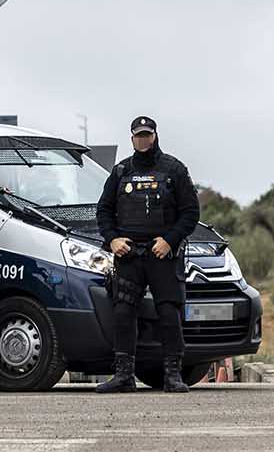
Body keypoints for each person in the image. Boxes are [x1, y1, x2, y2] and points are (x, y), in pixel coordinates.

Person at [95, 115, 199, 393]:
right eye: (138, 135)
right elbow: (103, 211)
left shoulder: (174, 170)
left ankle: (173, 375)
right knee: (122, 314)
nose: (143, 140)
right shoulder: (120, 172)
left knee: (169, 314)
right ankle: (124, 376)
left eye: (147, 135)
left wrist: (169, 240)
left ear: (155, 136)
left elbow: (190, 213)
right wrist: (113, 240)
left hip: (162, 254)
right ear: (132, 139)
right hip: (129, 255)